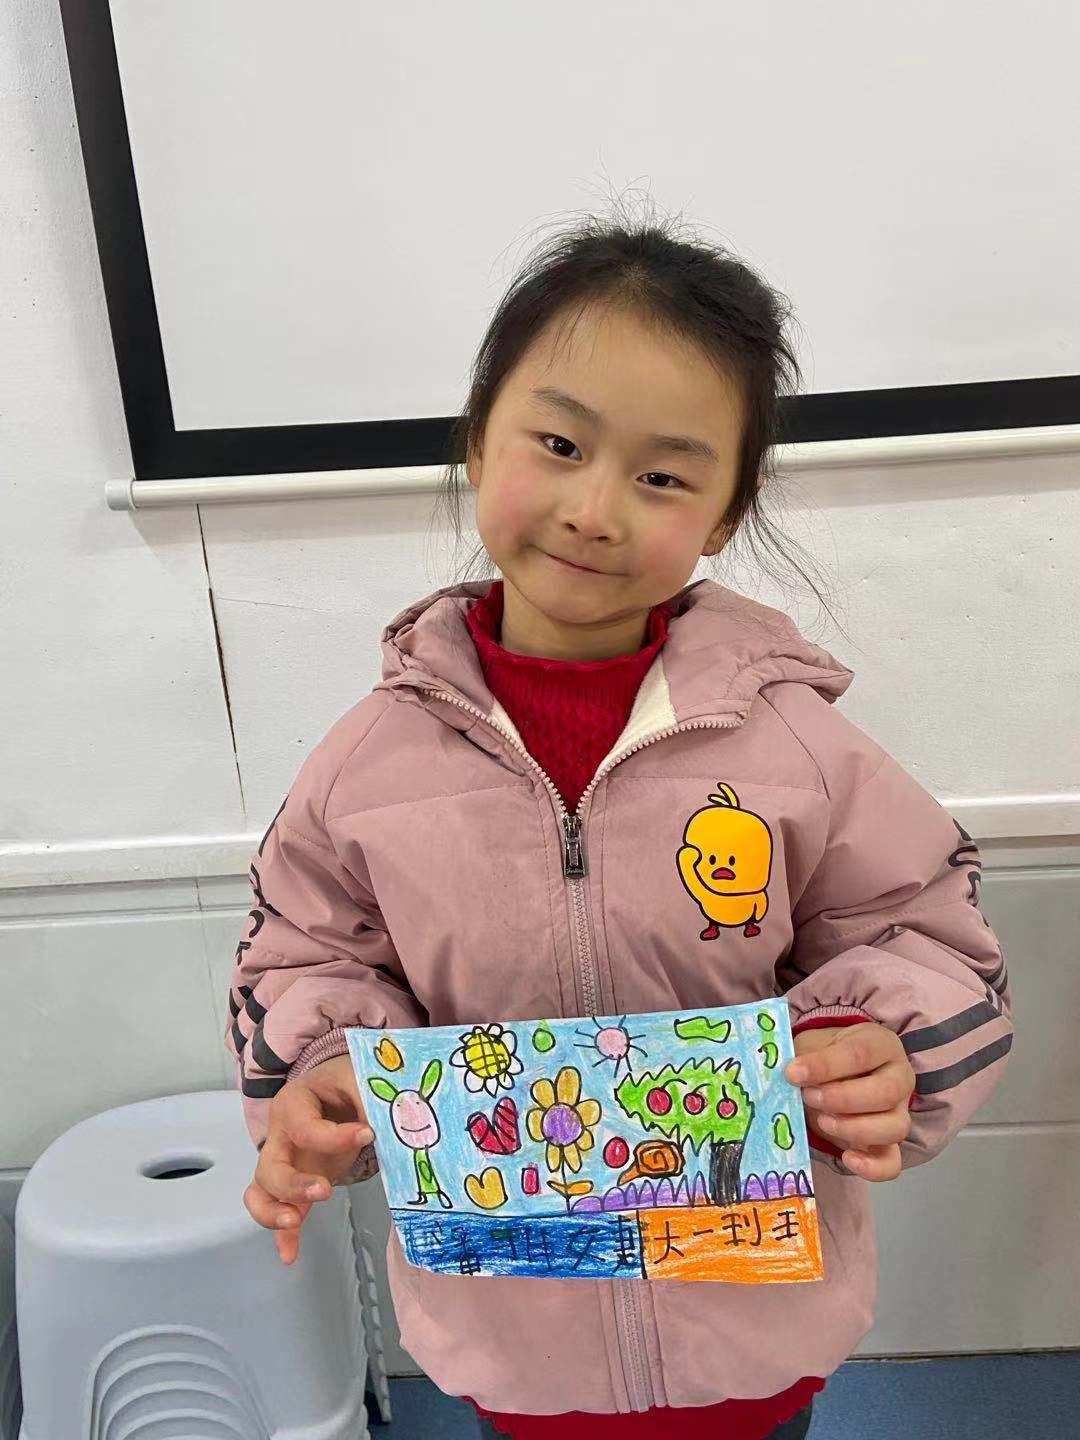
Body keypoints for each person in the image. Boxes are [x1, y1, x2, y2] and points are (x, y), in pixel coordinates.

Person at [225, 207, 1013, 1440]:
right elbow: (305, 953)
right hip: (511, 1333)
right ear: (476, 443)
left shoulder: (795, 743)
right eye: (558, 443)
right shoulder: (368, 764)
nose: (596, 509)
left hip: (754, 1331)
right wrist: (329, 1069)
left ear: (727, 511)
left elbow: (923, 926)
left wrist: (878, 1041)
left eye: (662, 476)